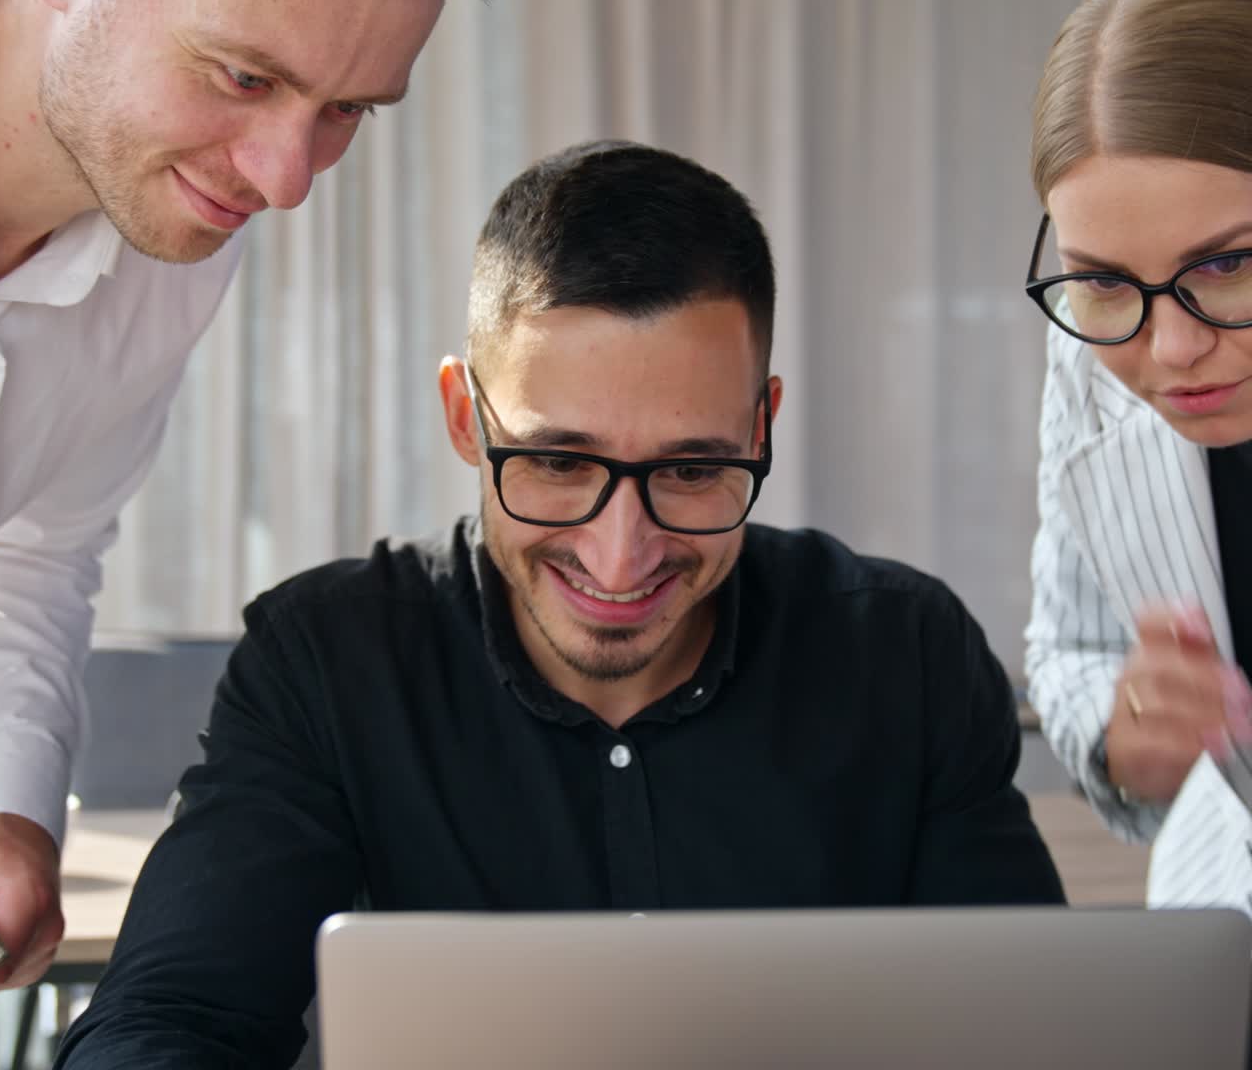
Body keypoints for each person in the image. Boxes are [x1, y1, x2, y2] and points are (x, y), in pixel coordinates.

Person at [54, 140, 1063, 1068]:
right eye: (554, 459)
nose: (618, 554)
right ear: (464, 415)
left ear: (760, 426)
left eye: (690, 470)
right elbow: (167, 1018)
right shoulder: (329, 656)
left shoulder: (903, 653)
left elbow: (1034, 1026)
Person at [0, 0, 505, 999]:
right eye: (242, 75)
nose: (284, 180)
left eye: (346, 112)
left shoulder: (177, 215)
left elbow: (27, 553)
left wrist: (0, 799)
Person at [1024, 0, 1252, 910]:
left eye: (1231, 263)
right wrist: (1126, 736)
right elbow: (1069, 648)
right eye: (1105, 280)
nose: (1173, 347)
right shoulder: (1085, 353)